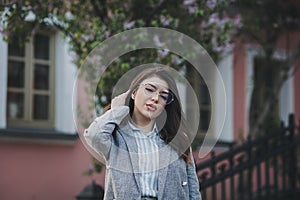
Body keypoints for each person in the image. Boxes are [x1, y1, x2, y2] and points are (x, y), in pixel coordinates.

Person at [84, 66, 201, 200]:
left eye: (163, 96)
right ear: (134, 93)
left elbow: (193, 192)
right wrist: (118, 110)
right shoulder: (116, 138)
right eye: (150, 89)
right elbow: (93, 136)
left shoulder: (178, 139)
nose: (156, 98)